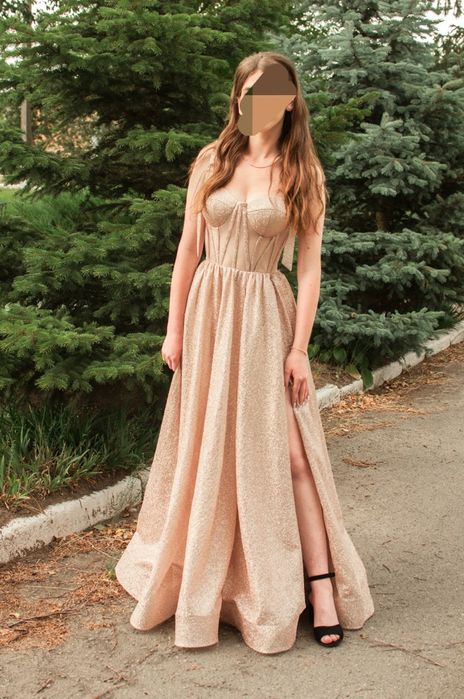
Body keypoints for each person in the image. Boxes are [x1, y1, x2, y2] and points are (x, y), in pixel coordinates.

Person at [115, 51, 374, 654]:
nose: (254, 104)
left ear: (289, 100)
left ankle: (322, 586)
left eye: (269, 93)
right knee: (212, 449)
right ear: (238, 97)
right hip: (208, 314)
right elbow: (188, 249)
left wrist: (300, 349)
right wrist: (174, 328)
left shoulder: (302, 172)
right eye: (246, 92)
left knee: (293, 455)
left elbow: (308, 270)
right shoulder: (213, 159)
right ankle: (218, 579)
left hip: (264, 318)